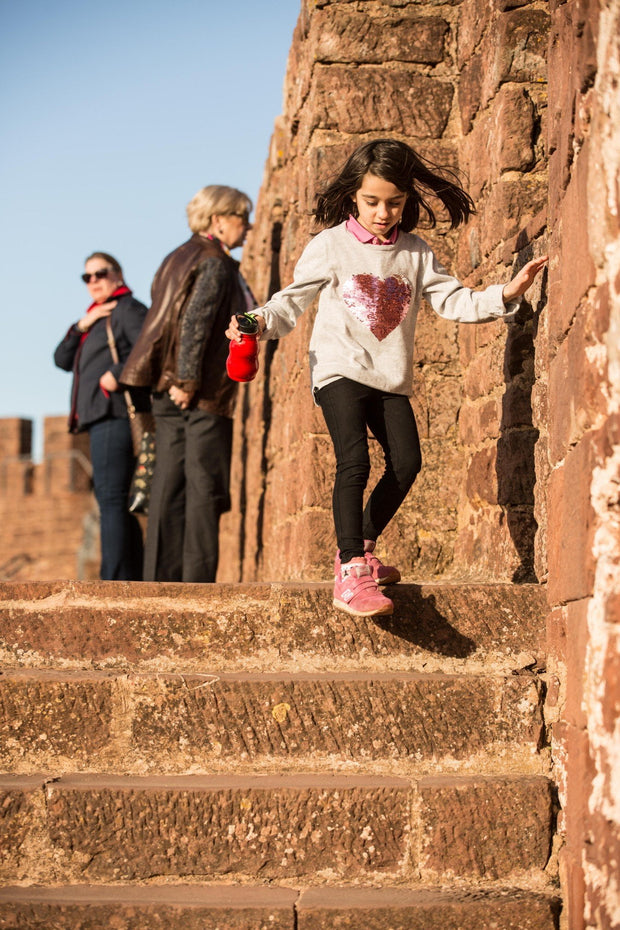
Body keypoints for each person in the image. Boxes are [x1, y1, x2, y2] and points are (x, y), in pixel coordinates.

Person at [227, 138, 548, 618]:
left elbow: (453, 301)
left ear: (407, 199)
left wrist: (506, 292)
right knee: (353, 460)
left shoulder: (415, 253)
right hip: (339, 370)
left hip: (389, 377)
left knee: (408, 462)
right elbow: (289, 303)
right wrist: (254, 322)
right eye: (372, 201)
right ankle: (350, 569)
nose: (383, 212)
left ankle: (362, 547)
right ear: (354, 196)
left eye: (394, 202)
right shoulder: (330, 246)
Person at [121, 185, 254, 583]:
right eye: (241, 217)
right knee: (202, 490)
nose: (247, 227)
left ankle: (160, 586)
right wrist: (189, 378)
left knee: (167, 490)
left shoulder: (176, 256)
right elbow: (195, 321)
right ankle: (197, 590)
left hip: (165, 386)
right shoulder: (215, 261)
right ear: (219, 220)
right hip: (198, 392)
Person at [54, 252, 148, 580]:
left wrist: (118, 374)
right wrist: (82, 324)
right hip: (100, 417)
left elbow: (150, 347)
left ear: (118, 275)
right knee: (114, 498)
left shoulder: (127, 310)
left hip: (115, 413)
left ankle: (115, 579)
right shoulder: (96, 318)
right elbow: (61, 359)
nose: (93, 281)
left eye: (100, 273)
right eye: (87, 277)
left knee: (110, 497)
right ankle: (131, 576)